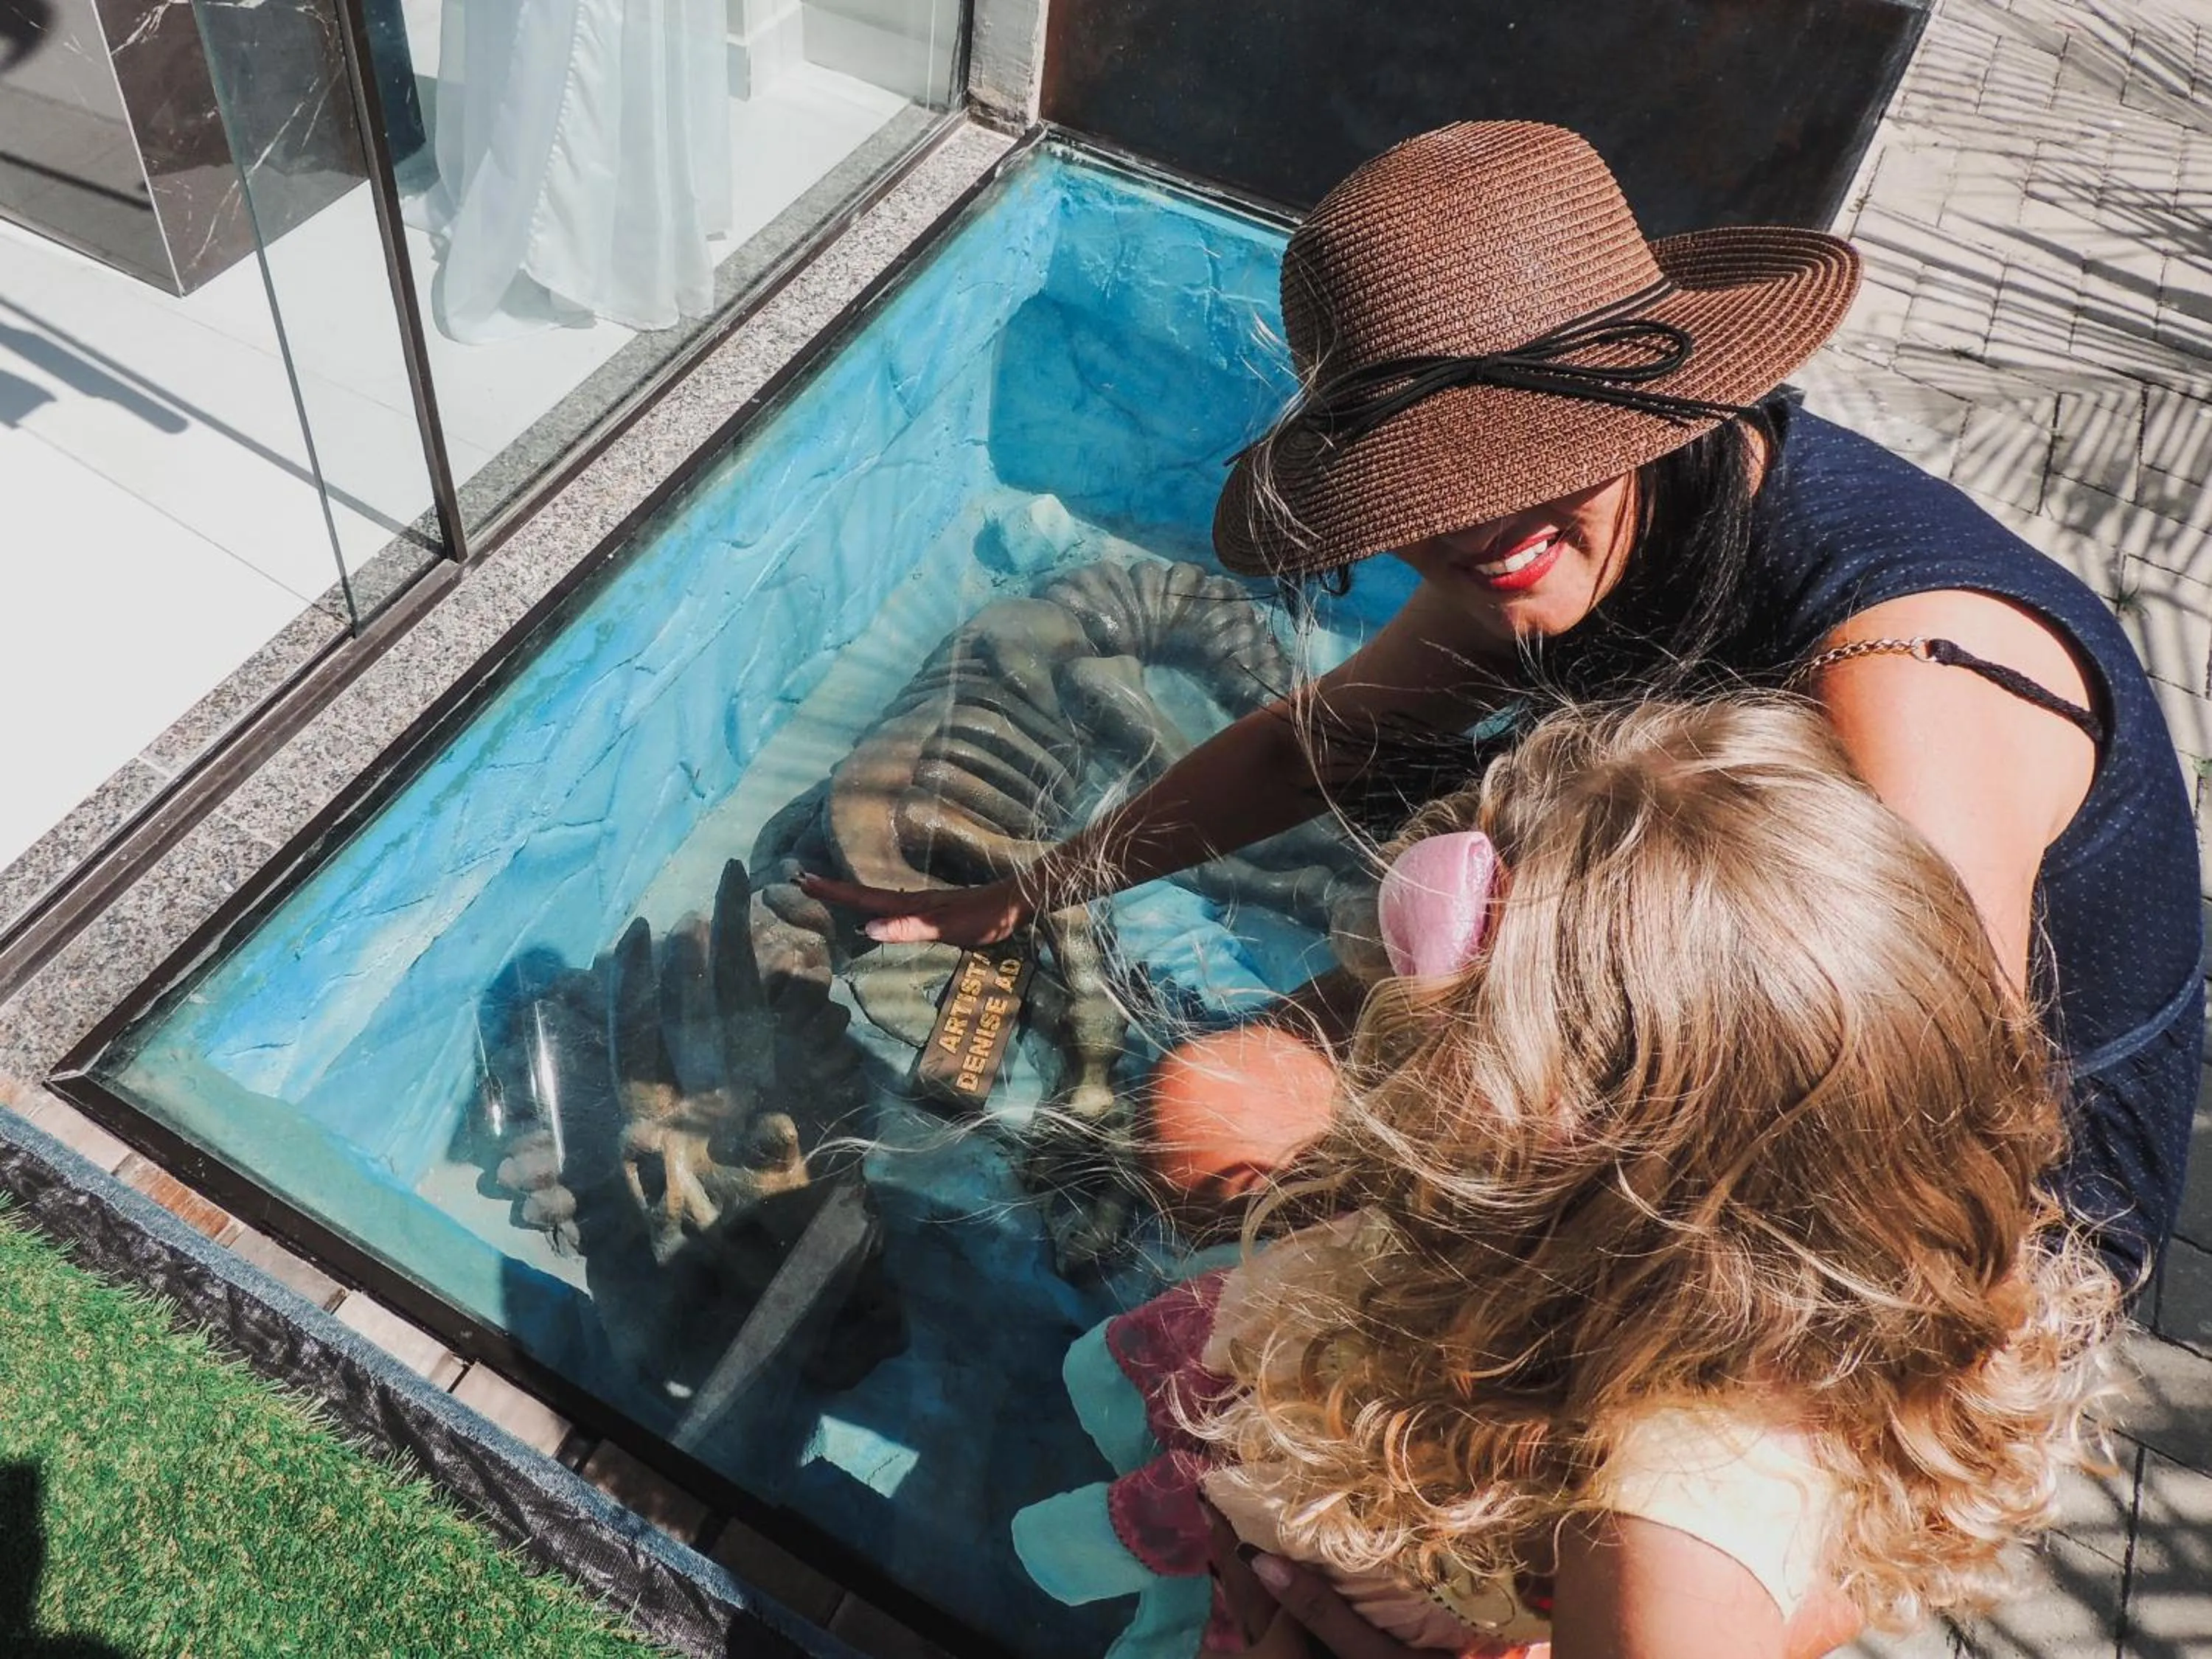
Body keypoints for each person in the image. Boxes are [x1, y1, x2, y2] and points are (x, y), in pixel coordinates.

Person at [800, 121, 2203, 1284]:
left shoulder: (1906, 672)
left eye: (1544, 449)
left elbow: (1922, 1133)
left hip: (1980, 1169)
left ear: (1657, 410)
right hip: (1678, 963)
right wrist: (1035, 893)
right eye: (1429, 477)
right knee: (1209, 1127)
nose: (1485, 519)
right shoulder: (1573, 543)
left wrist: (1491, 1229)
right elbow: (1312, 748)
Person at [1009, 699, 2123, 1659]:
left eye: (1452, 1088)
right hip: (1379, 1414)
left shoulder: (1673, 1510)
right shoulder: (1826, 1251)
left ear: (1615, 1175)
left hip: (1315, 1587)